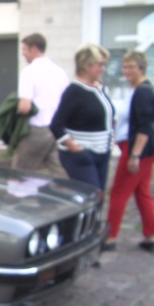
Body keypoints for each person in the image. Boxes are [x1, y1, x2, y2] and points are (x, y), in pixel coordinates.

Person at [104, 51, 154, 253]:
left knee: (119, 192)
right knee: (142, 192)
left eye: (131, 67)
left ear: (141, 68)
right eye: (125, 67)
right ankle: (150, 235)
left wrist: (135, 155)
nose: (127, 71)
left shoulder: (143, 92)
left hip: (138, 149)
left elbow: (145, 126)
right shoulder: (139, 89)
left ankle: (110, 238)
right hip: (143, 148)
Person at [50, 44, 114, 191]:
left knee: (98, 198)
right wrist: (77, 149)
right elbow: (56, 125)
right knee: (92, 195)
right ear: (87, 65)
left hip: (102, 152)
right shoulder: (74, 91)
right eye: (100, 65)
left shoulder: (100, 88)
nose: (103, 69)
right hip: (83, 155)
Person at [13, 33, 69, 177]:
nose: (23, 53)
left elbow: (24, 107)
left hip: (37, 129)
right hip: (57, 130)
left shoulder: (29, 72)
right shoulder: (60, 72)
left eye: (25, 49)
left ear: (34, 49)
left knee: (20, 172)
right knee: (58, 170)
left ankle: (15, 198)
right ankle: (64, 196)